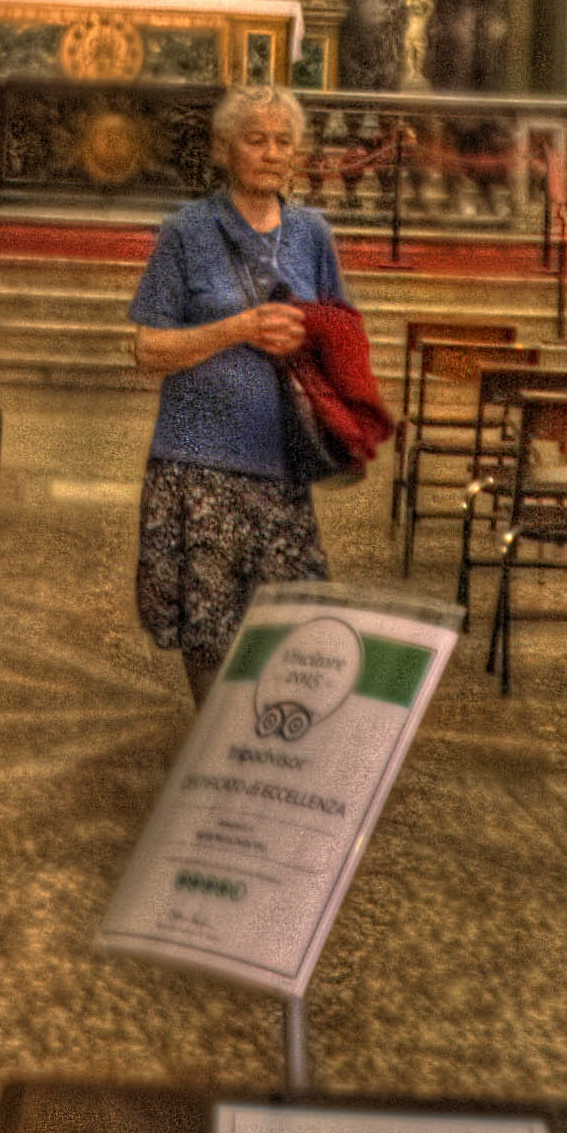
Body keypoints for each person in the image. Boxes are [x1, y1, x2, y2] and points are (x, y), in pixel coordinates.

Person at [129, 86, 348, 705]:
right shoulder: (187, 232)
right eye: (256, 140)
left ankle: (263, 755)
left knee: (291, 630)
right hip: (198, 465)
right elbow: (146, 350)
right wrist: (239, 329)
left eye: (283, 142)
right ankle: (215, 761)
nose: (272, 153)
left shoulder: (311, 233)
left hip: (281, 463)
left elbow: (341, 339)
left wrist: (314, 344)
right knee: (210, 635)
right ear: (225, 149)